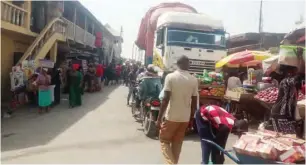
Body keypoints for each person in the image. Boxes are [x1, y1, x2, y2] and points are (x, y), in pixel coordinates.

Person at [156, 56, 198, 164]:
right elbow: (194, 101)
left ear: (177, 64)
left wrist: (159, 118)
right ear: (186, 64)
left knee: (164, 140)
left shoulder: (170, 77)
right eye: (189, 63)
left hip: (171, 116)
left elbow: (165, 99)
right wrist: (191, 117)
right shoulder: (193, 79)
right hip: (184, 117)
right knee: (177, 143)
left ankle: (171, 163)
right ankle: (174, 162)